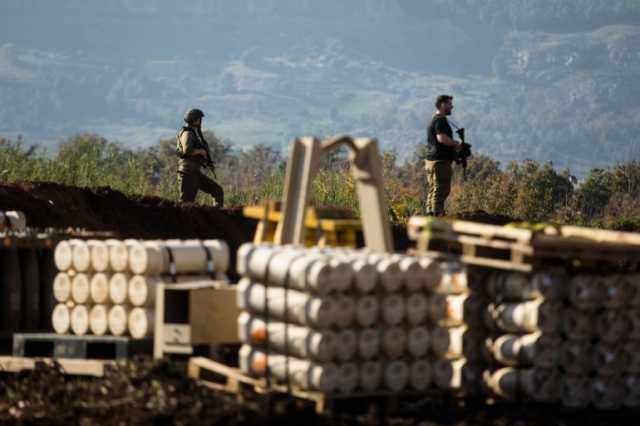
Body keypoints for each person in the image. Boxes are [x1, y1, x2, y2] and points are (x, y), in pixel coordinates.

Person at [176, 108, 224, 206]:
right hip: (187, 173)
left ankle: (216, 217)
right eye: (199, 119)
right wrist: (200, 151)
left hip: (195, 173)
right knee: (186, 204)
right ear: (194, 120)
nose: (200, 121)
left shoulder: (194, 132)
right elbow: (187, 150)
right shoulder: (187, 133)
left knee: (218, 191)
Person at [424, 95, 463, 216]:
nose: (452, 106)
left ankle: (430, 214)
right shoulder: (440, 120)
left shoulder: (434, 119)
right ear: (442, 105)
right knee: (441, 189)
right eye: (449, 104)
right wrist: (456, 143)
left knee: (434, 189)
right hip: (440, 161)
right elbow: (441, 138)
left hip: (432, 161)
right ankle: (437, 216)